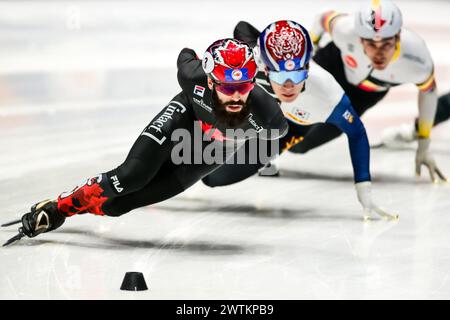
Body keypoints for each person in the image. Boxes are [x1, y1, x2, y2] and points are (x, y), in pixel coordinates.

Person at [2, 38, 288, 246]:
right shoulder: (192, 76)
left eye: (244, 86)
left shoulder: (271, 120)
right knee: (130, 176)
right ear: (211, 82)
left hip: (210, 151)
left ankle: (80, 206)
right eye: (228, 87)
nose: (237, 96)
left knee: (118, 206)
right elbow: (186, 54)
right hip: (185, 117)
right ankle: (58, 209)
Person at [202, 20, 396, 221]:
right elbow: (242, 28)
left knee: (213, 177)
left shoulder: (328, 96)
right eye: (280, 76)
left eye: (296, 75)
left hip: (289, 127)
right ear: (266, 69)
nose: (288, 86)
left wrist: (364, 188)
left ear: (308, 69)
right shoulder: (254, 57)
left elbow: (356, 133)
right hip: (256, 107)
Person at [286, 0, 446, 183]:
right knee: (286, 112)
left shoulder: (417, 60)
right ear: (359, 38)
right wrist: (311, 49)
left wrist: (424, 144)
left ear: (398, 37)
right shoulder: (345, 30)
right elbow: (323, 16)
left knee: (299, 145)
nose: (379, 53)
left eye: (386, 44)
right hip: (334, 66)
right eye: (371, 44)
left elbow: (429, 93)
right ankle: (253, 145)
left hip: (363, 95)